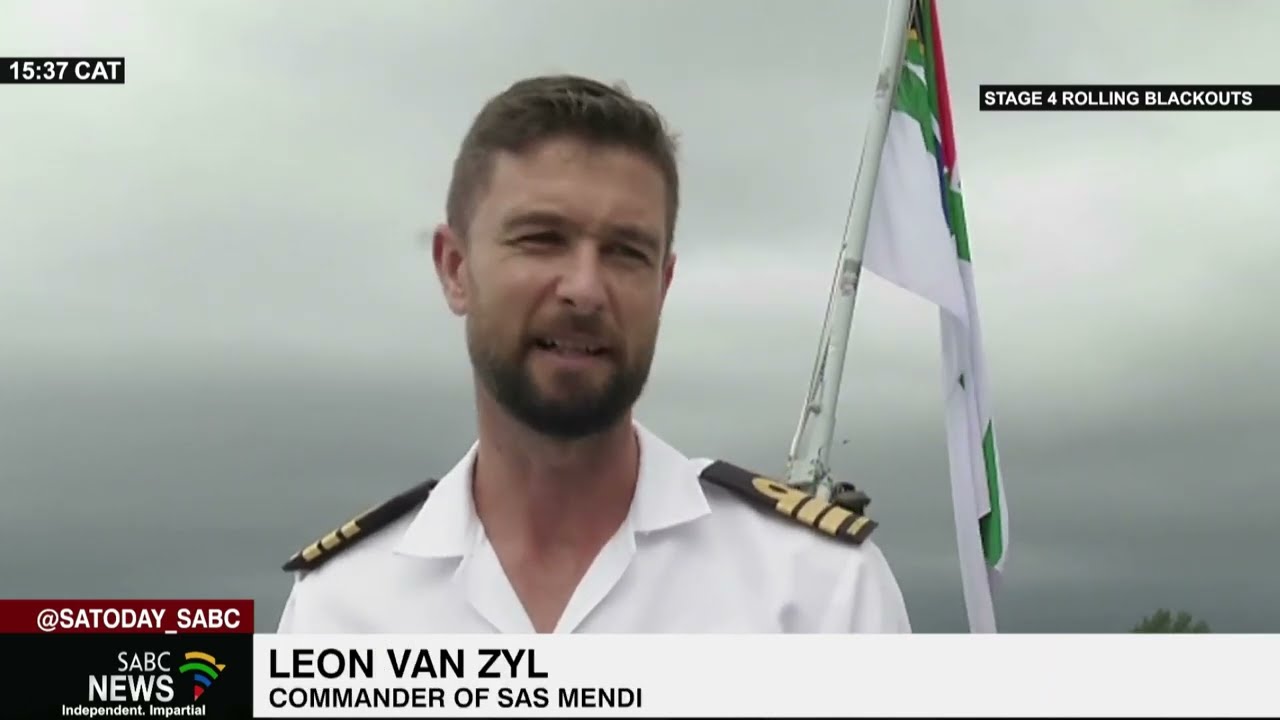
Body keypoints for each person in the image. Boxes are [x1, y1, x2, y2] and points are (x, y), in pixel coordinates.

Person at [276, 74, 911, 634]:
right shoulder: (340, 610)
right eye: (542, 239)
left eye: (626, 252)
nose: (584, 288)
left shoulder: (817, 591)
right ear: (455, 269)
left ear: (662, 286)